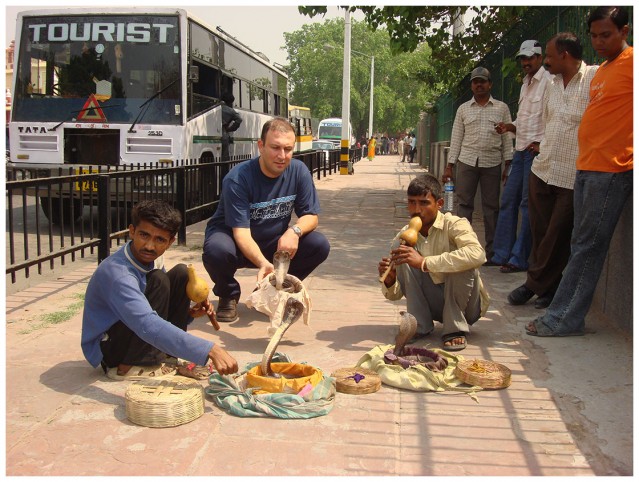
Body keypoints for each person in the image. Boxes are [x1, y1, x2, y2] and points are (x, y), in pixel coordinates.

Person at [526, 6, 632, 337]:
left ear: (624, 32)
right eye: (595, 36)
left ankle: (563, 317)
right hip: (584, 167)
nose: (599, 42)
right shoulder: (603, 73)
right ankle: (563, 312)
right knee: (579, 242)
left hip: (611, 171)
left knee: (587, 246)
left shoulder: (632, 65)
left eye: (607, 35)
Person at [81, 200, 238, 380]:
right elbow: (146, 322)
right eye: (144, 235)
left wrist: (187, 313)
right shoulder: (118, 273)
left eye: (160, 239)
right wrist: (210, 349)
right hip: (110, 347)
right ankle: (129, 365)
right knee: (159, 279)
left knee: (180, 274)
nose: (149, 246)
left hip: (132, 325)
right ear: (131, 231)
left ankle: (167, 357)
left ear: (170, 242)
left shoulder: (152, 259)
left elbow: (158, 300)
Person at [202, 117, 331, 323]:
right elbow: (241, 233)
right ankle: (228, 294)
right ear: (260, 146)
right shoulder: (238, 179)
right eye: (275, 148)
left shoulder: (299, 172)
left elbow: (311, 217)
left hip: (273, 239)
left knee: (319, 244)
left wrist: (294, 232)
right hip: (234, 240)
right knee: (217, 250)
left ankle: (276, 289)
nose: (282, 156)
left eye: (288, 149)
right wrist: (264, 264)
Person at [508, 32, 598, 309]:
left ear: (565, 56)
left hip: (573, 173)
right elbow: (547, 122)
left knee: (557, 233)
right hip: (544, 167)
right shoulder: (553, 85)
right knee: (540, 231)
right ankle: (550, 288)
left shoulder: (593, 78)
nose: (546, 61)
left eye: (548, 55)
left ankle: (532, 284)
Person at [378, 174, 490, 351]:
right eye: (411, 202)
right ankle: (420, 325)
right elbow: (395, 295)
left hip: (466, 306)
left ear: (439, 204)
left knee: (462, 260)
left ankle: (455, 330)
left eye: (424, 203)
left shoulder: (454, 224)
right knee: (406, 257)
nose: (416, 209)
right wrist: (391, 280)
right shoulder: (402, 237)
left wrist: (424, 262)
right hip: (434, 304)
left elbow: (478, 254)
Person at [491, 40, 552, 273]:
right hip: (520, 151)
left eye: (529, 58)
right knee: (507, 201)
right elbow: (524, 121)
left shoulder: (549, 82)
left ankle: (519, 257)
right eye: (522, 59)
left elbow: (551, 118)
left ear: (539, 57)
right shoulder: (525, 84)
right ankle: (501, 253)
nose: (525, 63)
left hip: (535, 153)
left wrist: (542, 144)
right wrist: (508, 126)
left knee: (528, 205)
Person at [443, 67, 513, 262]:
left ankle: (491, 253)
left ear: (490, 84)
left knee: (492, 208)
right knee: (464, 206)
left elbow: (507, 139)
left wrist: (508, 163)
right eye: (475, 82)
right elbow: (456, 138)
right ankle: (463, 247)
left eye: (483, 81)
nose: (479, 85)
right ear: (472, 86)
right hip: (466, 162)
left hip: (492, 163)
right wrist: (450, 165)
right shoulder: (463, 109)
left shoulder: (501, 108)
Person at [220, 92, 242, 167]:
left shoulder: (214, 107)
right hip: (223, 134)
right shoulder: (230, 110)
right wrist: (231, 129)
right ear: (230, 102)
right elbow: (239, 119)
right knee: (224, 159)